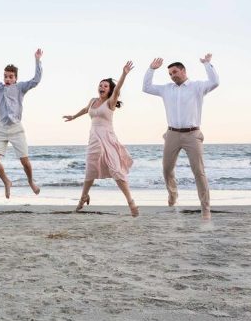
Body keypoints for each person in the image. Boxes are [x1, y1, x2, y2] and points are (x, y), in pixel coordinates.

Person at [142, 54, 219, 220]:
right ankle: (173, 194)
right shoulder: (166, 89)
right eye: (170, 74)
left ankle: (205, 209)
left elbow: (215, 82)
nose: (172, 75)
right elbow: (146, 87)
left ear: (183, 71)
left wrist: (207, 64)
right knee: (167, 169)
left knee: (199, 172)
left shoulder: (197, 87)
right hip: (171, 134)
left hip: (192, 134)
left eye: (175, 72)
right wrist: (151, 69)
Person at [63, 61, 138, 217]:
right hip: (94, 139)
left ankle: (130, 201)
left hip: (108, 139)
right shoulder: (92, 101)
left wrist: (124, 74)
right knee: (90, 170)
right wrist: (73, 116)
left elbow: (118, 89)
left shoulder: (110, 102)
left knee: (116, 170)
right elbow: (86, 110)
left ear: (109, 90)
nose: (102, 87)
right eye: (100, 85)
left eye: (105, 86)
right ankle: (83, 197)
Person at [0, 45, 43, 199]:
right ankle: (7, 181)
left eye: (11, 76)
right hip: (2, 129)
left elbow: (36, 80)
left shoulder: (20, 87)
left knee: (25, 162)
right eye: (6, 76)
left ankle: (31, 181)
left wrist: (37, 60)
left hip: (16, 129)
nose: (8, 79)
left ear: (15, 78)